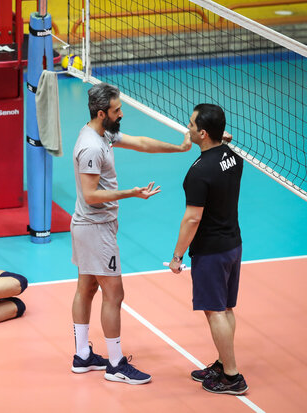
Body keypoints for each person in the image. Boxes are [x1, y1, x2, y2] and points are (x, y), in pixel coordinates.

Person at [71, 83, 192, 384]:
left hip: (92, 227)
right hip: (95, 228)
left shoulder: (103, 132)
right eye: (116, 110)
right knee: (115, 294)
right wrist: (131, 193)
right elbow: (90, 194)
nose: (121, 114)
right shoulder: (91, 146)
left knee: (86, 289)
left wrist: (179, 148)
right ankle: (115, 365)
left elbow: (140, 142)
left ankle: (82, 356)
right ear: (102, 113)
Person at [168, 104, 247, 395]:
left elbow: (192, 218)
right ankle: (222, 361)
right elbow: (223, 147)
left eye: (190, 125)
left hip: (211, 251)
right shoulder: (234, 159)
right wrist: (219, 140)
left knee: (215, 312)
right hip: (233, 244)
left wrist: (177, 257)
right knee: (225, 309)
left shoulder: (198, 172)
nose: (186, 128)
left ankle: (232, 376)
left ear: (202, 133)